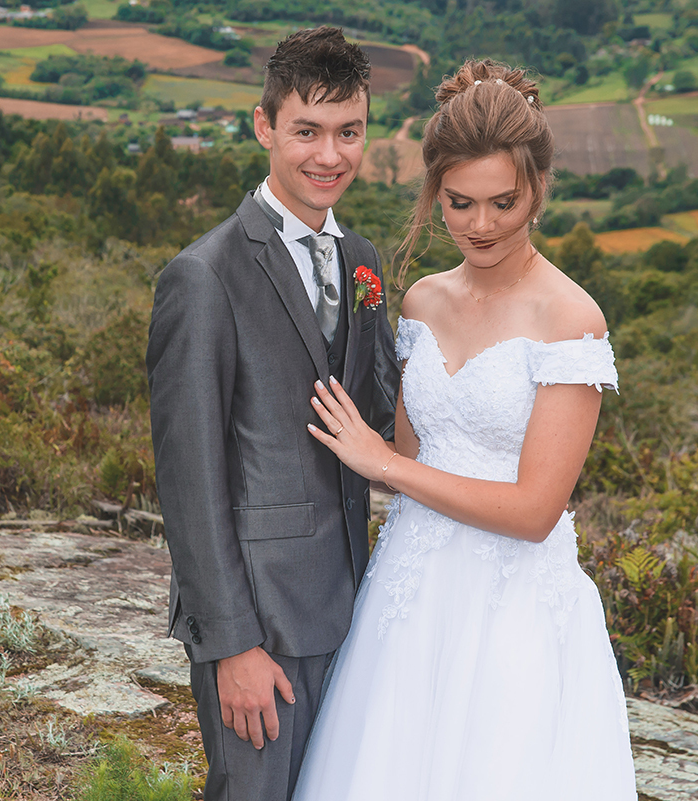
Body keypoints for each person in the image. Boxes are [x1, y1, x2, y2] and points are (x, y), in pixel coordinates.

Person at [292, 60, 638, 800]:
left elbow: (534, 511)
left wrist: (382, 464)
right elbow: (424, 453)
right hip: (409, 594)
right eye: (459, 202)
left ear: (537, 190)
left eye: (503, 202)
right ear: (434, 191)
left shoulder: (570, 320)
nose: (480, 225)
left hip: (511, 605)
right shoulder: (419, 301)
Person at [145, 27, 401, 801]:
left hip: (354, 608)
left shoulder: (362, 261)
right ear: (265, 127)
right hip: (262, 623)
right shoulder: (203, 276)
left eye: (348, 132)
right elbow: (190, 480)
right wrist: (233, 646)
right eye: (307, 132)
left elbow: (382, 410)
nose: (330, 156)